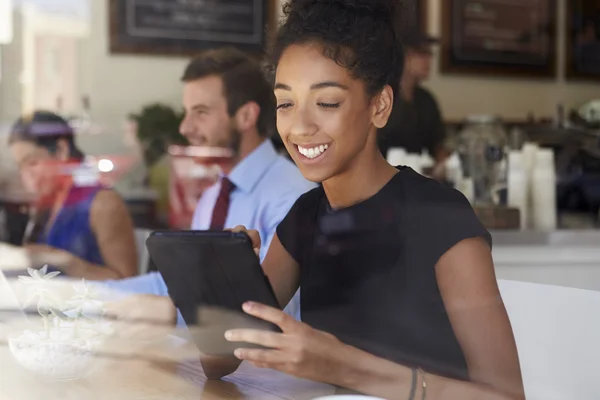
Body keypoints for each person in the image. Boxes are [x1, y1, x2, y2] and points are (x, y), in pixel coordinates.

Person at [110, 1, 525, 398]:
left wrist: (342, 365)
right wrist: (228, 284)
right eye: (286, 103)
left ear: (379, 105)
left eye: (326, 102)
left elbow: (508, 396)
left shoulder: (441, 219)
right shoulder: (305, 217)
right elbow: (219, 361)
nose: (300, 127)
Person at [103, 48, 315, 320]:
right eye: (187, 113)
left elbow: (266, 310)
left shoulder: (295, 196)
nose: (185, 128)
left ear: (246, 117)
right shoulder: (213, 196)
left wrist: (146, 312)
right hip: (207, 355)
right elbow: (179, 284)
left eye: (200, 112)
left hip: (256, 359)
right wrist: (85, 295)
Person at [8, 111, 137, 280]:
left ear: (61, 150)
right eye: (21, 167)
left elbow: (128, 282)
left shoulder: (103, 203)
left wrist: (67, 263)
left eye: (33, 163)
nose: (26, 175)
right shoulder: (47, 204)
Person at [378, 30, 449, 170]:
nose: (428, 60)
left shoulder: (426, 100)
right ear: (403, 56)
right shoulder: (382, 98)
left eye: (430, 54)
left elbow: (438, 146)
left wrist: (445, 164)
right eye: (422, 53)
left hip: (420, 179)